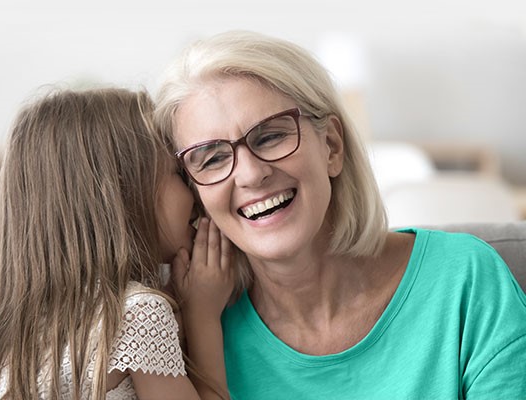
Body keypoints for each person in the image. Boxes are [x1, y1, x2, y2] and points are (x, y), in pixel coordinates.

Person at [154, 30, 526, 399]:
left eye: (270, 137)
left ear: (331, 145)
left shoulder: (465, 279)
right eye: (214, 158)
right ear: (195, 193)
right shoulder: (183, 330)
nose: (251, 174)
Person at [0, 87, 232, 400]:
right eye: (178, 174)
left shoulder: (24, 333)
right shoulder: (139, 313)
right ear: (124, 195)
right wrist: (203, 316)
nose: (196, 193)